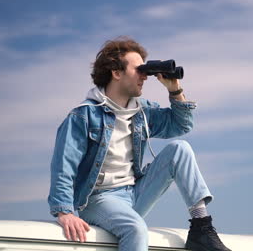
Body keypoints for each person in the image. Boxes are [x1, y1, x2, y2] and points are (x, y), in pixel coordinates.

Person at [47, 36, 231, 251]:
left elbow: (181, 126)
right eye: (139, 69)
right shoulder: (83, 116)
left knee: (180, 148)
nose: (144, 76)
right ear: (116, 73)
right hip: (98, 199)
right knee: (135, 228)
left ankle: (201, 227)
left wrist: (174, 89)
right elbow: (63, 166)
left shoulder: (142, 111)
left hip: (135, 192)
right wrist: (64, 212)